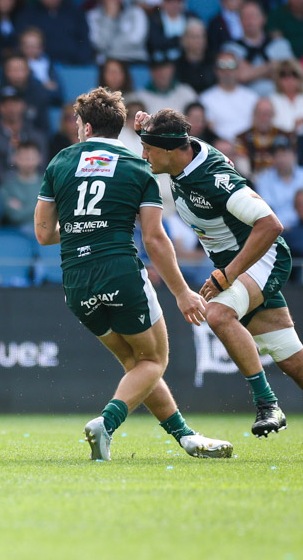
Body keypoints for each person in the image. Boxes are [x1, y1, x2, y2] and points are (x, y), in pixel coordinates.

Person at [34, 86, 232, 460]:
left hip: (76, 280)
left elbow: (44, 234)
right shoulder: (137, 166)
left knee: (135, 365)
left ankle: (186, 437)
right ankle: (107, 423)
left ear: (86, 127)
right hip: (119, 273)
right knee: (154, 362)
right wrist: (182, 292)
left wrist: (82, 227)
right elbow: (154, 239)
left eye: (77, 123)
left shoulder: (60, 162)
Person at [136, 107, 303, 437]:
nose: (144, 156)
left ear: (169, 150)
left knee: (218, 313)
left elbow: (270, 225)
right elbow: (170, 131)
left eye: (148, 149)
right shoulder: (179, 153)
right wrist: (146, 126)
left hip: (261, 259)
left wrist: (228, 274)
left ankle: (267, 403)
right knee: (292, 359)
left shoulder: (213, 178)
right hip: (237, 265)